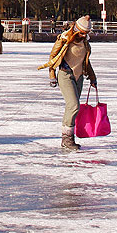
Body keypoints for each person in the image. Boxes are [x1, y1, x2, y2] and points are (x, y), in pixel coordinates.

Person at [38, 15, 97, 150]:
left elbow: (86, 61)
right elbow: (53, 57)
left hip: (79, 76)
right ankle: (67, 139)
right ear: (76, 29)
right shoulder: (64, 39)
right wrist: (52, 75)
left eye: (86, 33)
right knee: (74, 105)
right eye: (82, 32)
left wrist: (92, 77)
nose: (84, 35)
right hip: (65, 74)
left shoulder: (85, 43)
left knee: (72, 108)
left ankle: (69, 137)